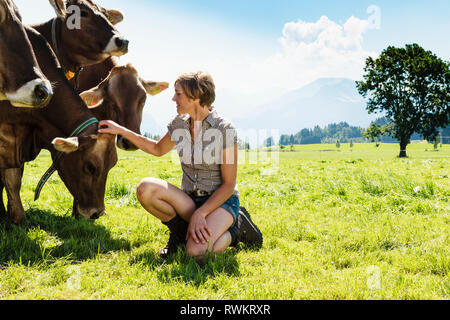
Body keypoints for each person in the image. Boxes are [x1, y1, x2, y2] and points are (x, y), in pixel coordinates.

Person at [98, 71, 262, 262]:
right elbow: (157, 149)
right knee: (146, 189)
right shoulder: (179, 124)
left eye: (178, 94)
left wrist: (201, 213)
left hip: (220, 203)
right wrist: (120, 130)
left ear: (196, 96)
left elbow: (228, 184)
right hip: (189, 200)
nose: (173, 98)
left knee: (196, 253)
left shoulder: (224, 129)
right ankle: (181, 234)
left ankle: (236, 229)